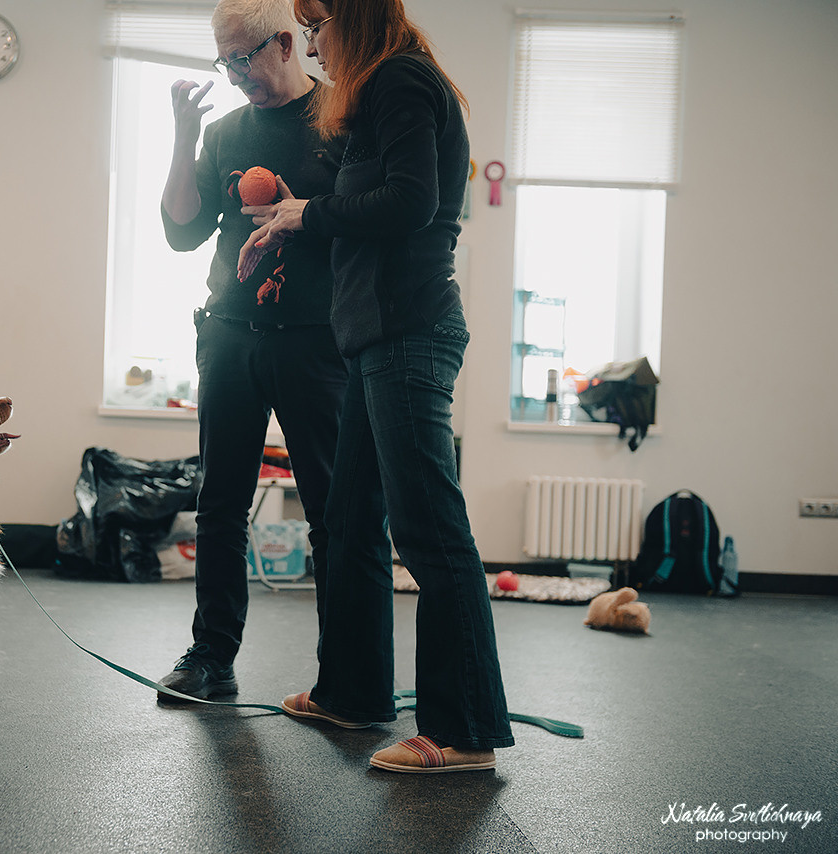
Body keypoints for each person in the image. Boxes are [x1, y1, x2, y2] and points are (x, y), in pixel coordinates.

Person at [238, 0, 514, 772]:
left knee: (430, 533)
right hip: (372, 338)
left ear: (351, 18)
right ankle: (354, 694)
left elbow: (410, 202)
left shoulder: (400, 80)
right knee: (352, 518)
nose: (314, 46)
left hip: (409, 332)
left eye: (318, 27)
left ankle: (463, 735)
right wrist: (286, 218)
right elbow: (355, 203)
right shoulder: (376, 95)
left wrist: (304, 217)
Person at [156, 0, 348, 700]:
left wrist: (308, 219)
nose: (237, 74)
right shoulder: (229, 132)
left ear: (288, 42)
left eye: (247, 57)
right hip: (232, 331)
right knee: (220, 502)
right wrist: (185, 135)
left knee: (331, 512)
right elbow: (182, 231)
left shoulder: (341, 121)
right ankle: (211, 659)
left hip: (318, 340)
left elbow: (368, 229)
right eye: (225, 61)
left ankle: (344, 674)